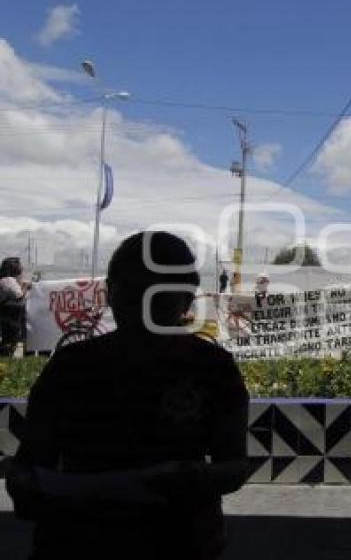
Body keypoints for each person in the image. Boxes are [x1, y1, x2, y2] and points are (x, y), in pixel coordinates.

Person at [6, 232, 249, 560]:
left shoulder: (211, 368)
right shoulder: (71, 367)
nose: (145, 310)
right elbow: (29, 466)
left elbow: (233, 465)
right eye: (136, 295)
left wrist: (195, 479)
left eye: (158, 296)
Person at [0, 257, 28, 356]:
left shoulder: (5, 281)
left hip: (8, 318)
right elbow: (19, 296)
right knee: (10, 343)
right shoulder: (8, 280)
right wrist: (25, 287)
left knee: (9, 342)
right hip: (11, 318)